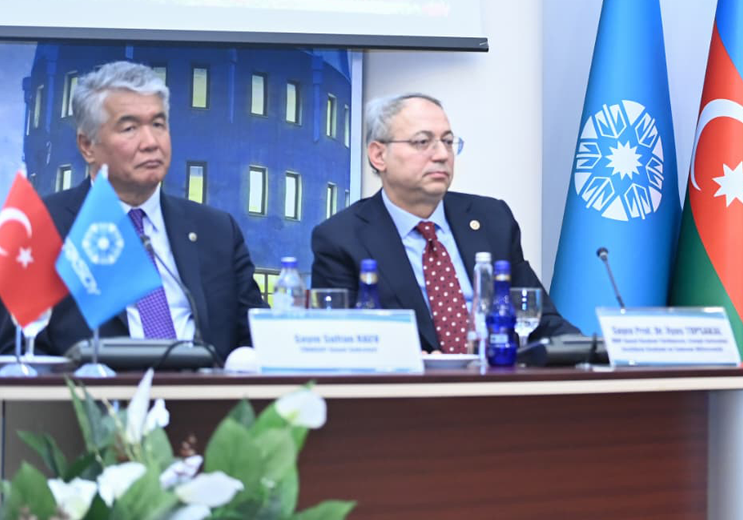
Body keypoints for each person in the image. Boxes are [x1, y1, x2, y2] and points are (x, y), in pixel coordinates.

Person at [0, 61, 265, 359]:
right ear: (87, 145)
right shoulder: (41, 228)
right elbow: (15, 353)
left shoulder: (216, 231)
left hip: (203, 387)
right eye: (130, 128)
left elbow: (260, 338)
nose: (151, 143)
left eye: (158, 124)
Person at [310, 93, 576, 353]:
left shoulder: (492, 218)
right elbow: (340, 345)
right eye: (422, 142)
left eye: (448, 142)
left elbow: (541, 322)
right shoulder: (341, 239)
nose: (441, 155)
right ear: (379, 155)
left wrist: (592, 352)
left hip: (497, 377)